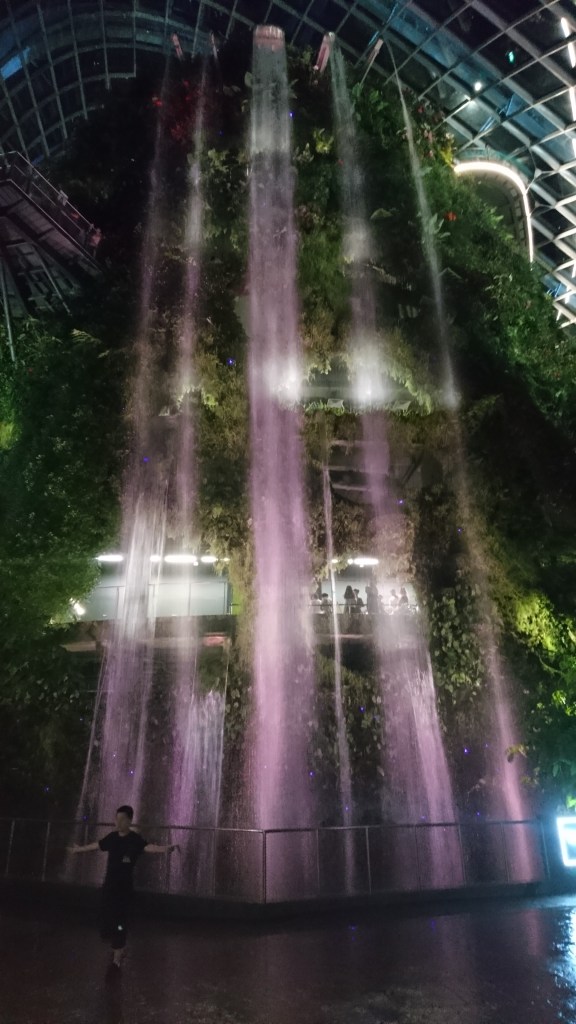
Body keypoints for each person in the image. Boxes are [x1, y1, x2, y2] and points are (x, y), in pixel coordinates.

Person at [68, 804, 177, 968]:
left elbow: (148, 847)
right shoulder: (112, 838)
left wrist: (164, 849)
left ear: (129, 820)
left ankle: (117, 955)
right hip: (109, 886)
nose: (117, 822)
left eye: (121, 819)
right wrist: (79, 850)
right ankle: (118, 945)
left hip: (124, 889)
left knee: (120, 921)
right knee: (105, 921)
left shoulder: (134, 840)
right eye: (116, 818)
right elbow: (97, 845)